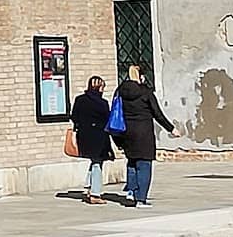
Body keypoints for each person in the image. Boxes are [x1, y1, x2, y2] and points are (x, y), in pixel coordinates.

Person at [114, 65, 179, 206]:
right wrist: (171, 128)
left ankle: (131, 191)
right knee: (144, 164)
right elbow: (157, 114)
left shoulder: (120, 91)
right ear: (141, 76)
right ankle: (141, 198)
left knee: (132, 162)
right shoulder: (145, 92)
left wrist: (117, 139)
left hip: (126, 132)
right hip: (143, 133)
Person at [70, 76, 114, 204]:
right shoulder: (102, 103)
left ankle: (89, 187)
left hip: (83, 136)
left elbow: (74, 117)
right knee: (97, 163)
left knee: (94, 161)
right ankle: (95, 193)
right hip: (98, 136)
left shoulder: (80, 100)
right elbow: (107, 119)